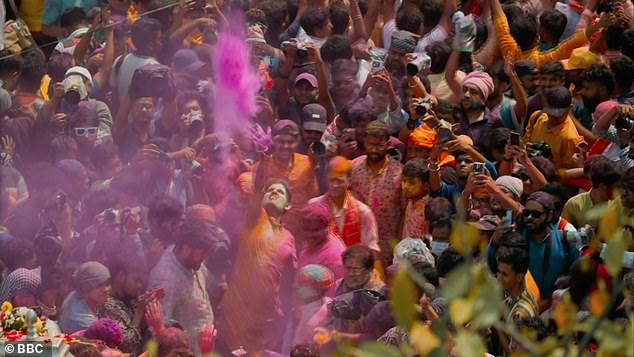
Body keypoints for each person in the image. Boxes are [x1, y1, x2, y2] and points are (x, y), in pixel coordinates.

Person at [220, 179, 297, 353]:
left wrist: (282, 310)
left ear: (288, 206)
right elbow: (255, 196)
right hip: (238, 314)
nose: (274, 192)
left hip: (266, 320)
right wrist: (263, 168)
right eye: (269, 190)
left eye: (280, 192)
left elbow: (287, 278)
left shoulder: (289, 237)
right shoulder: (253, 221)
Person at [148, 219, 216, 355]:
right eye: (202, 253)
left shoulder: (192, 261)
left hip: (203, 349)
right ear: (185, 249)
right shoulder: (165, 279)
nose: (205, 257)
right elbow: (159, 330)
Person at [252, 120, 319, 240]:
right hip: (270, 233)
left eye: (290, 142)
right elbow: (255, 199)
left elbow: (313, 197)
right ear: (273, 141)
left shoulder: (307, 163)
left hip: (301, 233)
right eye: (281, 142)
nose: (285, 146)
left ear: (297, 142)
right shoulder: (261, 166)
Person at [350, 121, 403, 266]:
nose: (374, 150)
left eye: (379, 146)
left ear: (388, 144)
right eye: (370, 145)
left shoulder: (399, 173)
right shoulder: (353, 168)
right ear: (364, 142)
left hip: (385, 247)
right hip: (356, 243)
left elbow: (404, 211)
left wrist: (396, 246)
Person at [309, 156, 380, 251]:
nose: (335, 185)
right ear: (325, 179)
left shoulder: (363, 212)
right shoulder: (313, 207)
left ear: (349, 181)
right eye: (331, 180)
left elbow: (371, 249)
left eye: (339, 181)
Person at [524, 86, 582, 172]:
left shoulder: (569, 138)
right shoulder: (537, 117)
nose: (552, 117)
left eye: (558, 114)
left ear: (570, 108)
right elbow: (525, 142)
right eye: (550, 111)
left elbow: (568, 171)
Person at [331, 244, 385, 334]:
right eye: (347, 268)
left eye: (355, 269)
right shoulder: (339, 285)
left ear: (369, 269)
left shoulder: (376, 295)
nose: (350, 273)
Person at [562, 157, 622, 228]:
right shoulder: (574, 205)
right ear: (602, 186)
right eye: (616, 187)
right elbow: (563, 233)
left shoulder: (622, 205)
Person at [297, 202, 346, 280]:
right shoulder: (314, 243)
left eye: (316, 230)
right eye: (306, 229)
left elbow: (336, 290)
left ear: (329, 227)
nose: (310, 235)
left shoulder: (333, 257)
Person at [289, 264, 335, 348]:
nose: (296, 286)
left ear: (316, 291)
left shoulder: (311, 320)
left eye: (303, 284)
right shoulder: (327, 302)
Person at [59, 261, 111, 334]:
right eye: (99, 285)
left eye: (107, 284)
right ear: (86, 288)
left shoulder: (77, 294)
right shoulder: (80, 320)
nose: (106, 289)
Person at [497, 247, 539, 320]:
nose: (499, 278)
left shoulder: (520, 315)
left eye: (505, 274)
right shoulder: (514, 297)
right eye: (499, 272)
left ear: (519, 277)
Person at [400, 158, 430, 239]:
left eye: (412, 183)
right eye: (404, 181)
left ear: (426, 185)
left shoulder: (428, 207)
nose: (405, 186)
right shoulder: (410, 201)